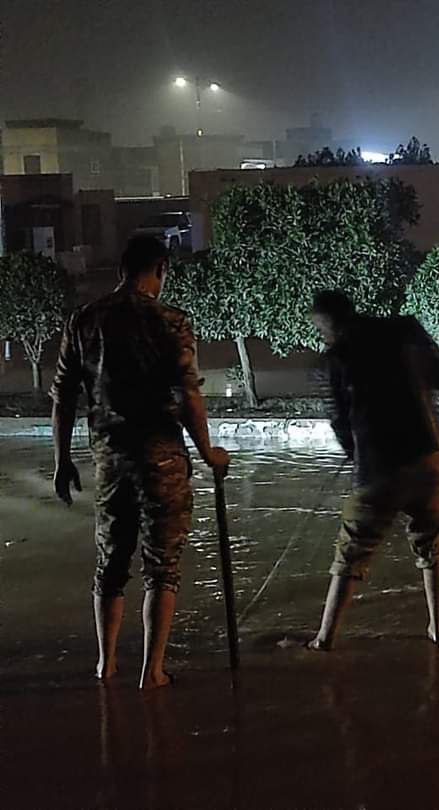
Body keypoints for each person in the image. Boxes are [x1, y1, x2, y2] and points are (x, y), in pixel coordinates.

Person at [50, 235, 230, 689]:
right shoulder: (171, 322)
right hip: (161, 459)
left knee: (110, 566)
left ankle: (105, 664)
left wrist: (62, 460)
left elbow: (64, 396)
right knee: (162, 568)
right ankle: (153, 671)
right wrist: (208, 452)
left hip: (110, 461)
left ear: (121, 271)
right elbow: (188, 395)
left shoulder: (85, 321)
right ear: (161, 270)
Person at [307, 290, 439, 649]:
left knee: (352, 550)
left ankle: (324, 640)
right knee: (429, 542)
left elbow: (340, 421)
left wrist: (355, 456)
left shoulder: (337, 356)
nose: (321, 334)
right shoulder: (405, 329)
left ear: (327, 321)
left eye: (320, 327)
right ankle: (437, 630)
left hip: (379, 466)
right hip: (429, 455)